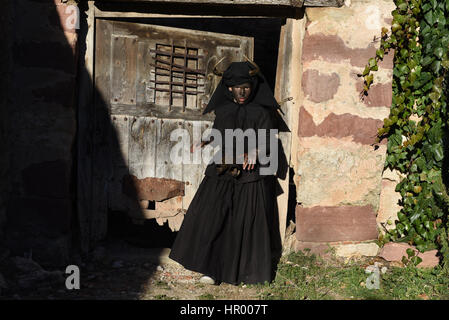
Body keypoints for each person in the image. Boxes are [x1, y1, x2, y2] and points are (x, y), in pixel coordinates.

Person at [168, 58, 283, 285]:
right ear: (229, 88)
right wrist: (204, 140)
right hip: (222, 169)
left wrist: (257, 152)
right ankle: (211, 270)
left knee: (243, 221)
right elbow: (218, 132)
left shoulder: (262, 112)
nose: (242, 92)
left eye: (247, 87)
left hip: (251, 175)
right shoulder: (224, 109)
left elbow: (269, 138)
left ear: (253, 87)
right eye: (238, 87)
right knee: (213, 218)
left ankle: (245, 273)